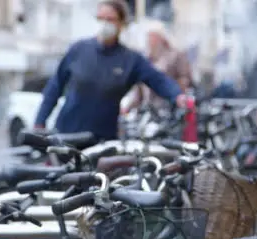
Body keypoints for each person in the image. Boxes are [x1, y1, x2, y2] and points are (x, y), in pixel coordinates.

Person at [34, 0, 187, 141]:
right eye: (100, 18)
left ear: (122, 24)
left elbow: (158, 80)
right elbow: (54, 87)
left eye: (110, 19)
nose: (104, 24)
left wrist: (177, 95)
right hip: (67, 136)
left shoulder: (131, 59)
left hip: (103, 140)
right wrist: (40, 121)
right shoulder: (78, 50)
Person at [123, 20, 192, 111]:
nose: (150, 39)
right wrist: (129, 108)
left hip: (169, 107)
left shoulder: (175, 55)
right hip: (148, 108)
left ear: (161, 37)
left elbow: (184, 79)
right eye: (149, 36)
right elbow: (140, 87)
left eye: (153, 36)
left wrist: (178, 95)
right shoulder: (145, 58)